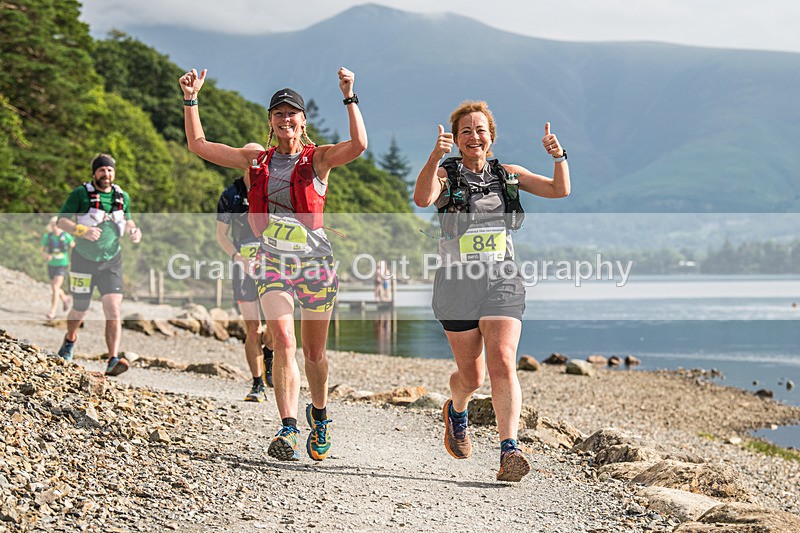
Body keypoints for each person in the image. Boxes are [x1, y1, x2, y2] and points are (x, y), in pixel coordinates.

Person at [180, 66, 367, 461]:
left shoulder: (319, 160)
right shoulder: (255, 160)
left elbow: (360, 145)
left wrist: (349, 96)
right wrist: (191, 99)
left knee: (315, 355)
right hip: (272, 264)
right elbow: (198, 145)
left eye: (291, 113)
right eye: (278, 113)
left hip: (315, 264)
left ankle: (319, 414)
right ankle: (287, 426)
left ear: (303, 121)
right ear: (270, 121)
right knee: (283, 341)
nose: (285, 120)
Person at [414, 101, 570, 482]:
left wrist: (558, 156)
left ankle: (509, 449)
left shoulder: (507, 174)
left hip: (503, 279)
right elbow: (421, 199)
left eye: (480, 129)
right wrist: (435, 156)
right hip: (456, 283)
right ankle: (457, 408)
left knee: (502, 358)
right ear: (456, 138)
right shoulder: (446, 175)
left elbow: (559, 190)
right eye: (465, 131)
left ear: (491, 136)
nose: (473, 136)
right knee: (472, 377)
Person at [55, 153, 142, 376]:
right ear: (94, 173)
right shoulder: (80, 194)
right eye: (102, 170)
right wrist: (82, 230)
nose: (106, 174)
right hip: (82, 260)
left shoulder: (122, 196)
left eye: (110, 170)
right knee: (80, 308)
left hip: (111, 260)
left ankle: (112, 359)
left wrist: (134, 230)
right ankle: (70, 340)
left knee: (113, 309)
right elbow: (62, 221)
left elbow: (128, 219)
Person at [215, 152, 276, 402]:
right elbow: (221, 236)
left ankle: (270, 353)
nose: (254, 163)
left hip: (272, 265)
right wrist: (238, 258)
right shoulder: (231, 195)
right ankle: (257, 384)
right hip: (243, 267)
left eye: (259, 159)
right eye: (249, 159)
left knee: (275, 327)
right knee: (253, 328)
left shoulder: (275, 187)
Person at [41, 216, 75, 319]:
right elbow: (42, 251)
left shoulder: (67, 237)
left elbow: (75, 246)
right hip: (51, 265)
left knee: (55, 287)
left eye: (56, 225)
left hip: (62, 264)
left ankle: (53, 311)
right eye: (52, 225)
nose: (54, 227)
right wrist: (46, 256)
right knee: (55, 288)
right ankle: (65, 298)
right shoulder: (47, 237)